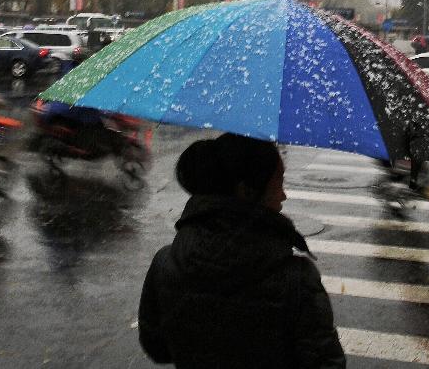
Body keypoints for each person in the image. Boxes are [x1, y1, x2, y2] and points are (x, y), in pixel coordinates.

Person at [138, 134, 346, 369]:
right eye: (278, 184)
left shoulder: (166, 263)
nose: (283, 195)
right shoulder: (296, 279)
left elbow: (157, 348)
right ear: (246, 191)